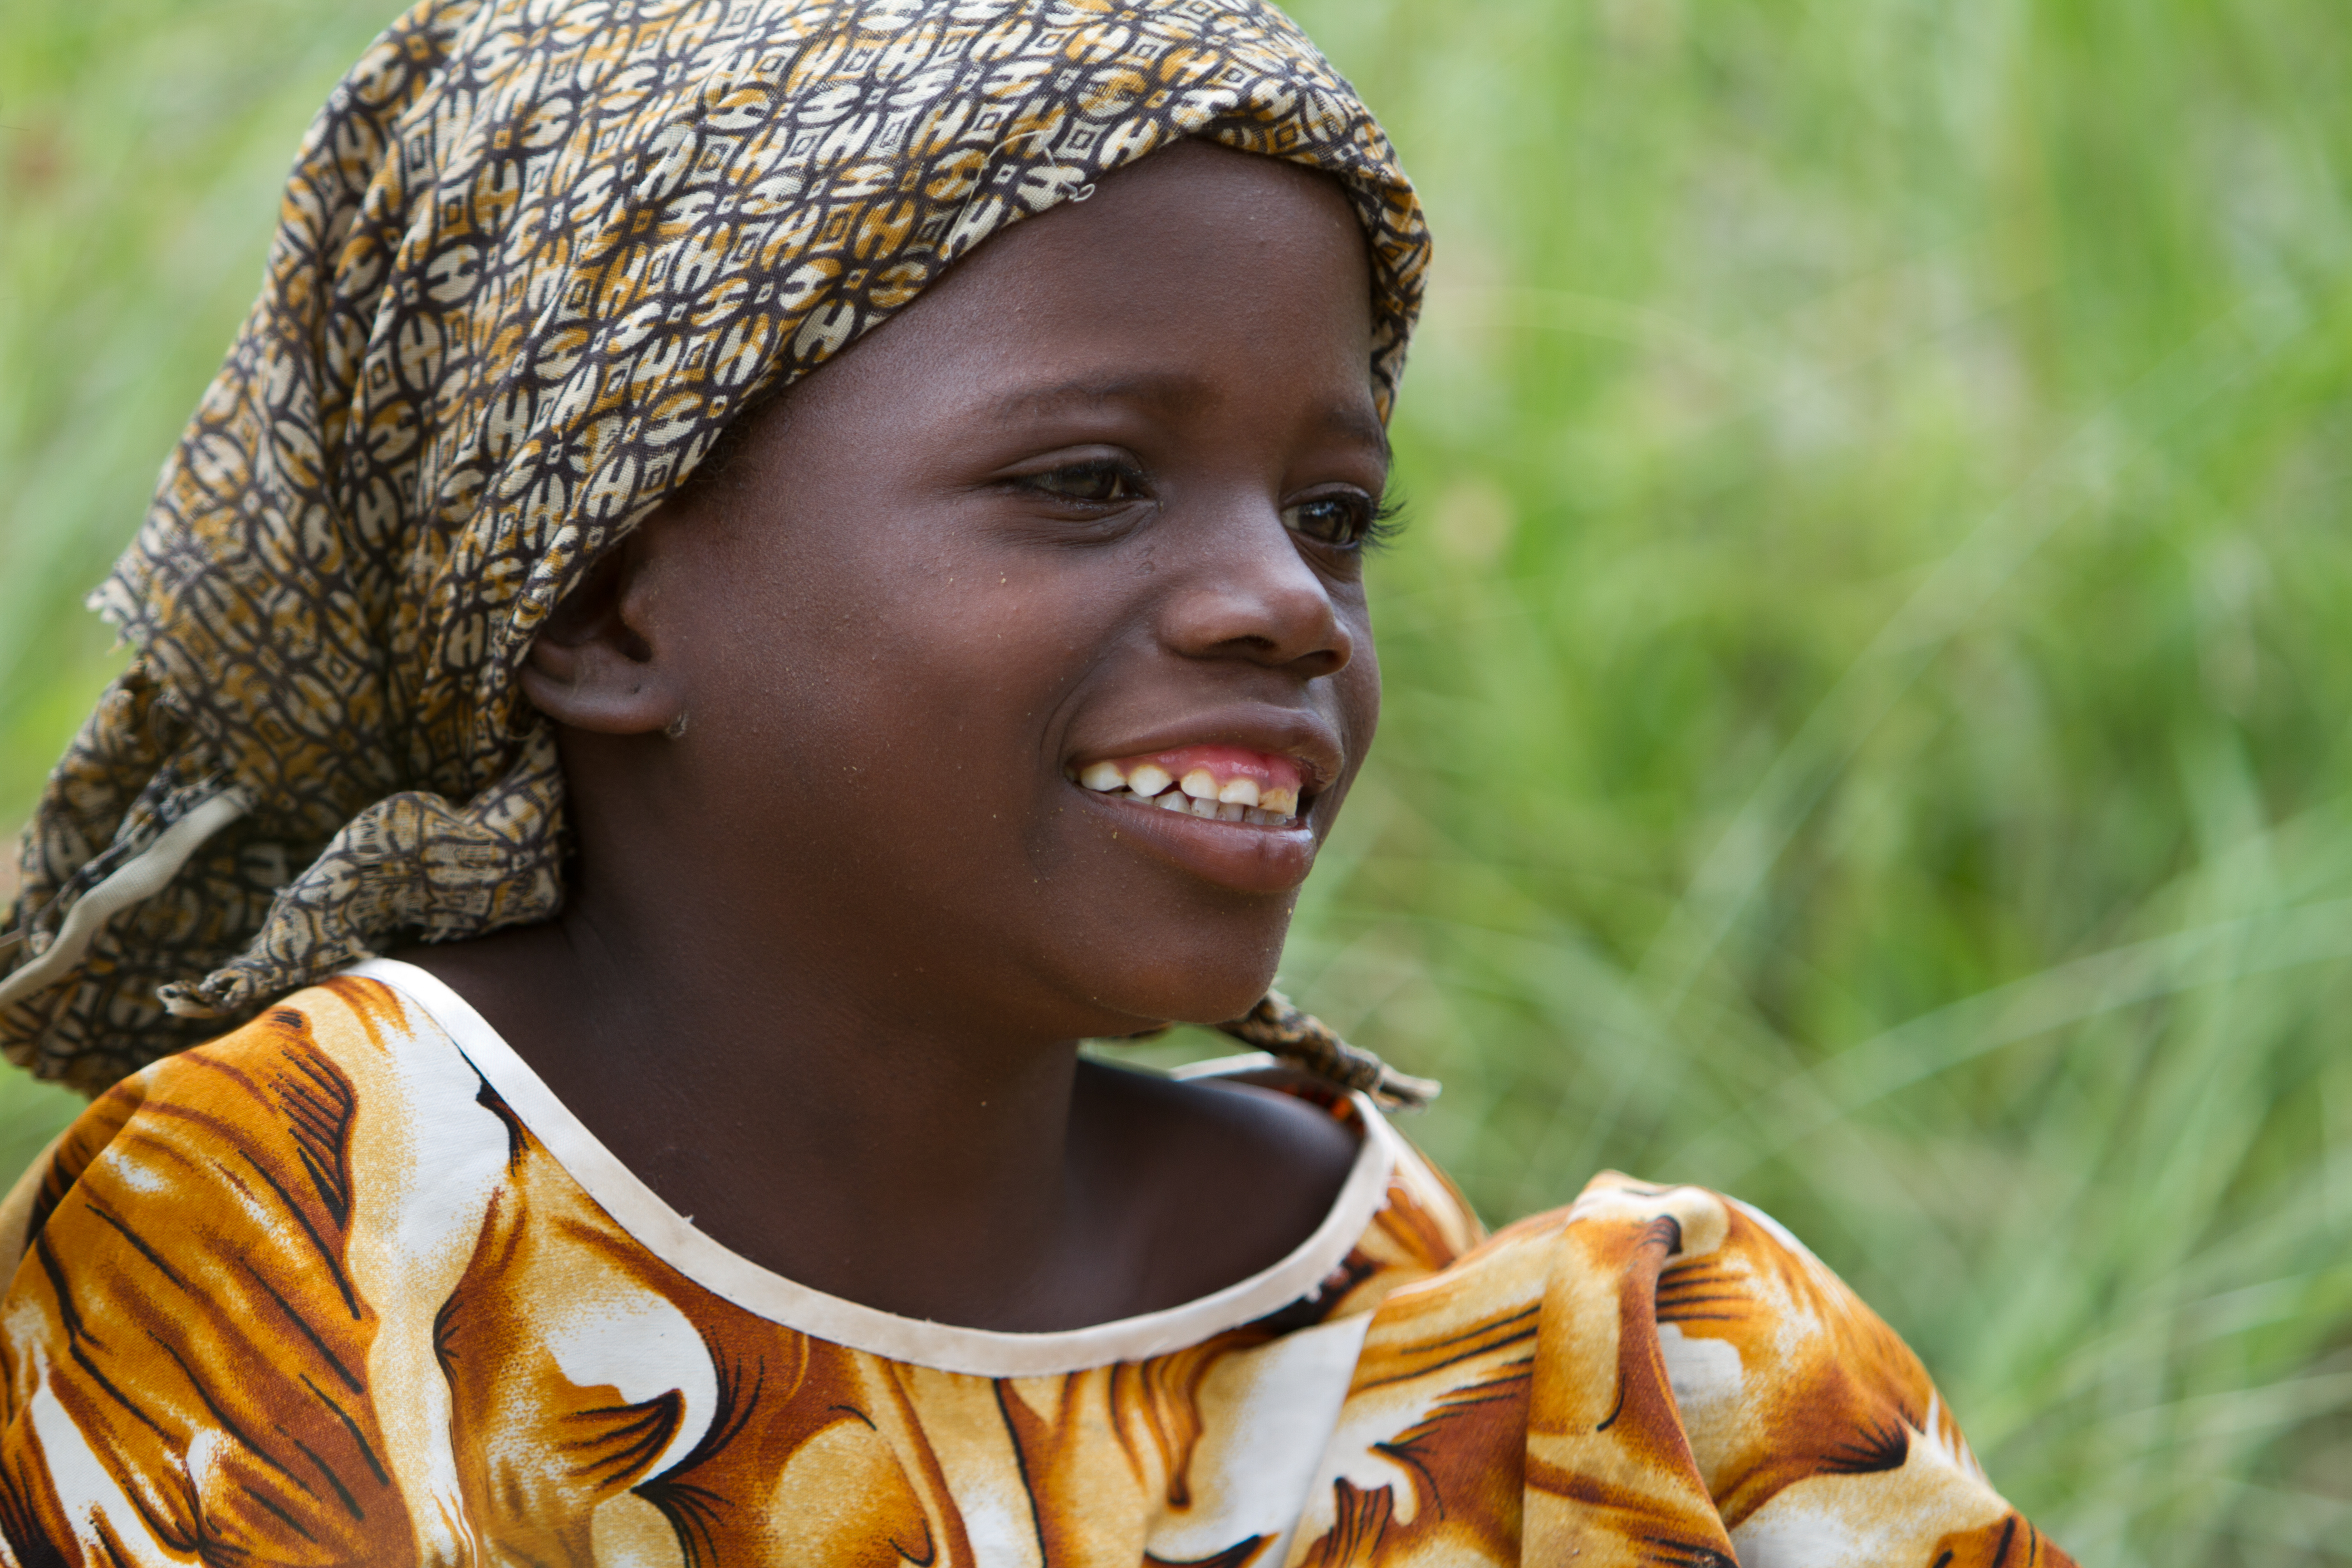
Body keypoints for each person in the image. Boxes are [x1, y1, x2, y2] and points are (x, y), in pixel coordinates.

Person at [0, 0, 2073, 1562]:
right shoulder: (313, 1215)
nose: (1288, 604)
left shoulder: (1408, 1310)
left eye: (1338, 512)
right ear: (612, 610)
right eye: (1089, 484)